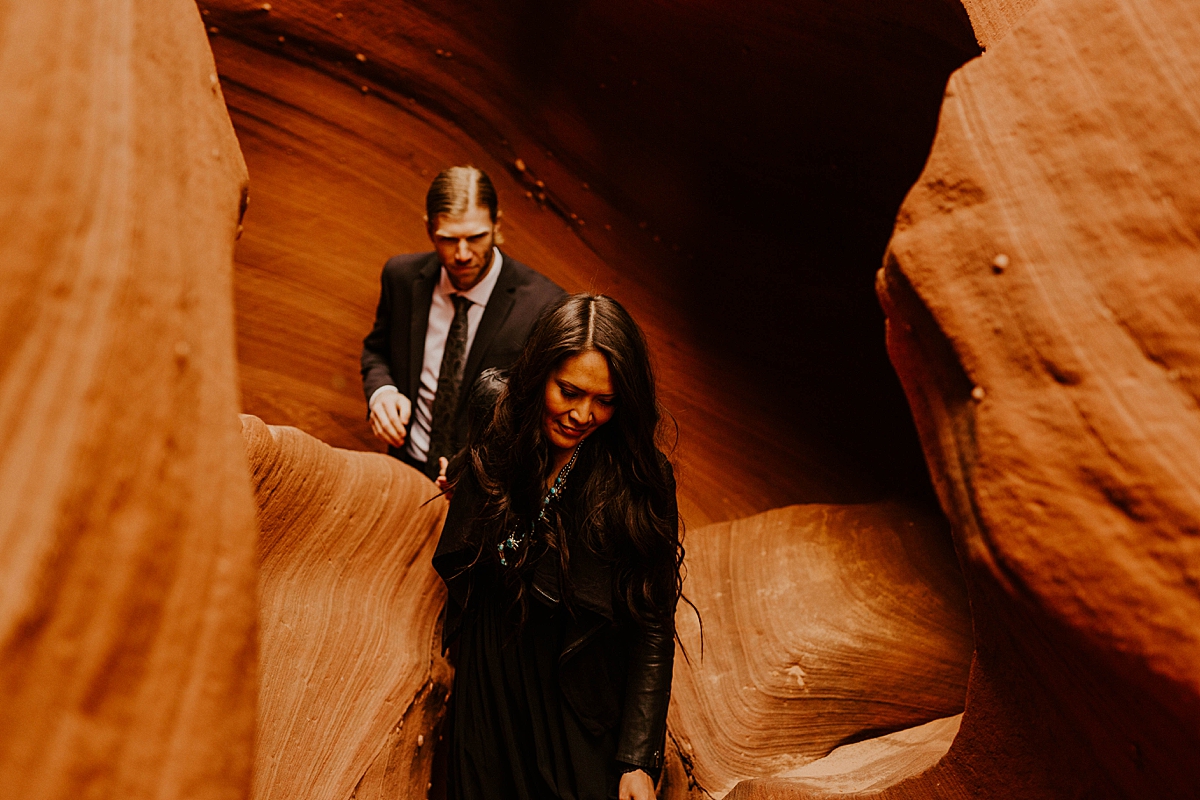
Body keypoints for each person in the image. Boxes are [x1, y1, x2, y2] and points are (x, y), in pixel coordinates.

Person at [433, 294, 682, 800]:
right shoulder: (497, 411)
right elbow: (476, 470)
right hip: (489, 669)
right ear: (538, 373)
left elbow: (653, 623)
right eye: (568, 391)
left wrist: (637, 757)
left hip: (574, 689)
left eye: (605, 400)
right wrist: (459, 476)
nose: (582, 414)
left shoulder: (640, 476)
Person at [360, 166, 565, 479]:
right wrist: (382, 393)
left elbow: (537, 413)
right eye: (449, 240)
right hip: (405, 467)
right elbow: (376, 351)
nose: (463, 254)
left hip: (484, 485)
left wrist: (476, 467)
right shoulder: (400, 277)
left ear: (496, 224)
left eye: (476, 237)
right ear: (429, 230)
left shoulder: (544, 304)